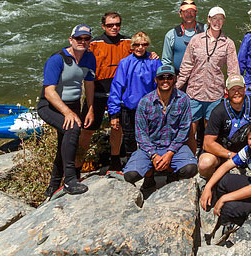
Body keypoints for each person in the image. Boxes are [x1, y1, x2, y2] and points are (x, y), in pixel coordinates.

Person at [37, 24, 97, 198]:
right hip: (51, 106)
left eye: (86, 39)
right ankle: (70, 180)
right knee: (72, 129)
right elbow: (49, 92)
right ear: (71, 40)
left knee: (65, 144)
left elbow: (89, 84)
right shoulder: (57, 59)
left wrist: (90, 108)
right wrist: (67, 113)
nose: (82, 42)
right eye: (79, 38)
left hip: (74, 105)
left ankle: (52, 187)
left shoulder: (89, 58)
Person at [122, 64, 198, 190]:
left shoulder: (183, 99)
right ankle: (149, 176)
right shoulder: (145, 102)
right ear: (156, 80)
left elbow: (184, 129)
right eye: (162, 77)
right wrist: (153, 155)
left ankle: (171, 173)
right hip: (151, 148)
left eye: (169, 77)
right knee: (130, 175)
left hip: (174, 147)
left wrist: (170, 153)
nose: (165, 80)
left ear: (174, 79)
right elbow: (141, 134)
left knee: (190, 169)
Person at [200, 121, 251, 229]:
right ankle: (219, 212)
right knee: (223, 180)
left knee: (228, 207)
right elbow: (226, 166)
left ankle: (234, 223)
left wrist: (224, 198)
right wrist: (208, 187)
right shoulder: (249, 150)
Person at [176, 6, 238, 154]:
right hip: (194, 92)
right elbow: (186, 66)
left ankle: (206, 156)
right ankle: (190, 157)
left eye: (220, 19)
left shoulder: (228, 43)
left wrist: (235, 90)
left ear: (223, 21)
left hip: (215, 93)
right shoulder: (196, 40)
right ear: (208, 20)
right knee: (190, 129)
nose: (217, 22)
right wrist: (176, 87)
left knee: (211, 131)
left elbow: (233, 70)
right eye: (214, 18)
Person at [82, 11, 132, 172]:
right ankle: (77, 163)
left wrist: (151, 56)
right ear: (103, 26)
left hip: (119, 93)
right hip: (97, 92)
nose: (114, 27)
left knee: (117, 128)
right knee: (87, 129)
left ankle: (115, 160)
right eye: (110, 25)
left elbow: (140, 56)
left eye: (117, 24)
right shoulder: (94, 43)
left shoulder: (128, 42)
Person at [199, 75, 251, 178]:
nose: (236, 92)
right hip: (223, 152)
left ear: (245, 88)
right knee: (204, 164)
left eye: (239, 89)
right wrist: (231, 155)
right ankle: (210, 182)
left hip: (249, 150)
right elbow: (207, 143)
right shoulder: (218, 111)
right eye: (232, 89)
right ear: (226, 91)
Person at [107, 31, 160, 162]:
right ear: (132, 46)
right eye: (137, 44)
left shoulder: (154, 62)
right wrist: (114, 114)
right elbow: (116, 88)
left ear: (147, 45)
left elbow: (161, 86)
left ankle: (151, 165)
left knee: (151, 137)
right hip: (129, 108)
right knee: (129, 138)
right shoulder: (125, 63)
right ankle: (132, 163)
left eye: (144, 44)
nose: (140, 48)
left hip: (149, 109)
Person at [162, 0, 205, 74]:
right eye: (185, 12)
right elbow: (166, 62)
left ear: (196, 13)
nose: (189, 14)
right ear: (180, 13)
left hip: (202, 77)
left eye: (192, 11)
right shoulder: (171, 34)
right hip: (180, 77)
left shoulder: (206, 30)